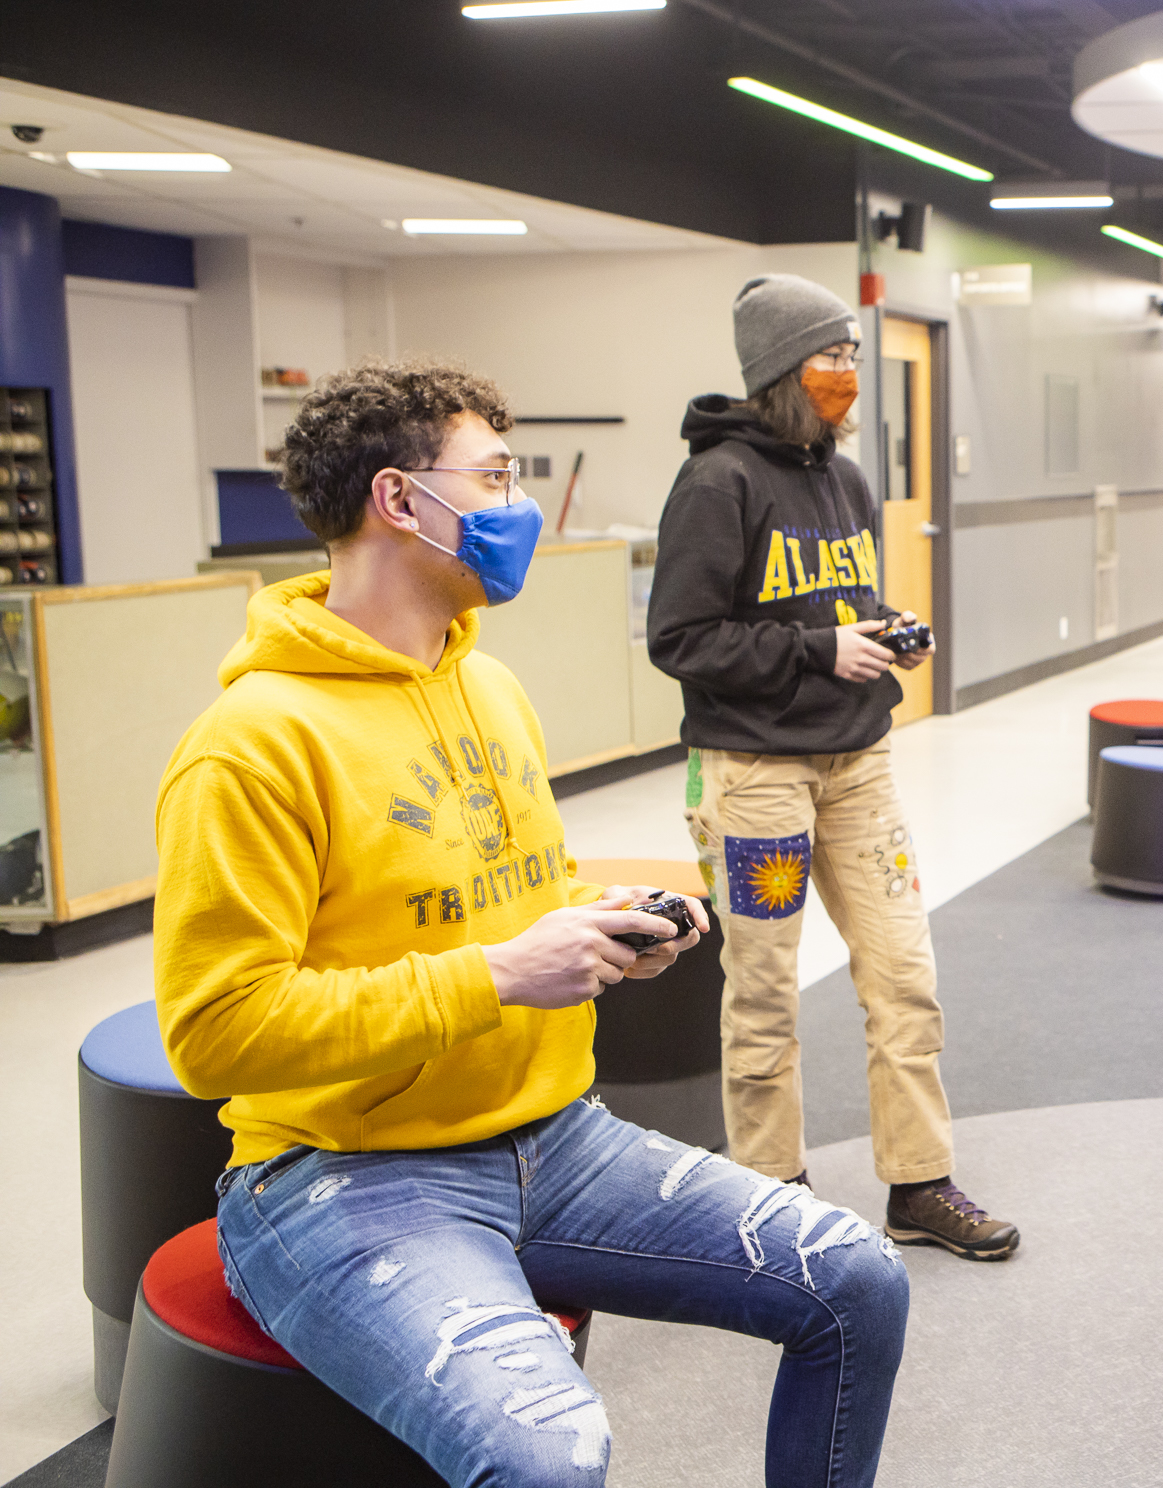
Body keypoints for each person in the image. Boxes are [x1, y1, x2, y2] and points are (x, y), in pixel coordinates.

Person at [154, 359, 909, 1487]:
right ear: (399, 499)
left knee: (857, 1278)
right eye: (496, 477)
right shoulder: (250, 745)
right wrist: (500, 973)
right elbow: (214, 1034)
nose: (518, 506)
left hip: (553, 1138)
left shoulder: (490, 689)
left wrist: (590, 924)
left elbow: (490, 902)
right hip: (337, 1177)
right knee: (550, 1458)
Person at [649, 274, 1018, 1261]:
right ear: (782, 367)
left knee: (905, 976)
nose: (850, 372)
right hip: (755, 776)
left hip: (859, 766)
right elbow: (681, 638)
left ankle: (919, 1182)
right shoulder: (717, 482)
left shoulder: (845, 480)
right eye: (833, 355)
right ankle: (774, 1193)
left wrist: (885, 633)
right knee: (765, 991)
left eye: (854, 354)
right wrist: (819, 651)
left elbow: (837, 602)